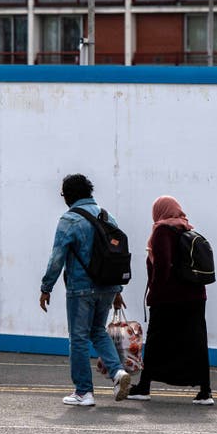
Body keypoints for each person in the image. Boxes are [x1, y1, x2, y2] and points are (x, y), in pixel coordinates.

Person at [40, 174, 131, 407]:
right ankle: (118, 373)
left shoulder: (69, 220)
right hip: (108, 287)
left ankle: (84, 392)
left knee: (78, 338)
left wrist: (46, 287)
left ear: (68, 196)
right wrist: (117, 290)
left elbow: (57, 258)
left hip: (81, 288)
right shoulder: (107, 215)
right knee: (97, 331)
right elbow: (116, 256)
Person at [127, 195, 213, 405]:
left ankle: (144, 387)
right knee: (196, 342)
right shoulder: (186, 228)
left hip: (169, 299)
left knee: (156, 342)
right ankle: (205, 391)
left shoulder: (162, 231)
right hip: (195, 296)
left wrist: (154, 293)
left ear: (159, 212)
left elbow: (163, 266)